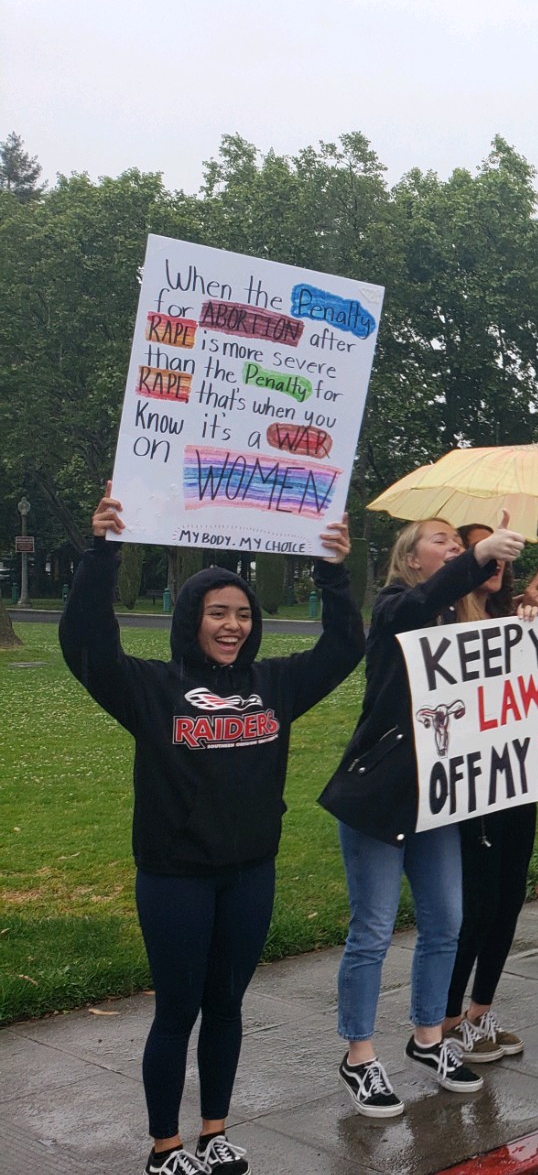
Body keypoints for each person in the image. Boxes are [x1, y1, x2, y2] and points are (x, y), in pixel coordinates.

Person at [61, 484, 363, 1175]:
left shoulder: (277, 685)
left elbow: (346, 646)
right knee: (178, 1010)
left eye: (243, 614)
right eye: (217, 613)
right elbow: (86, 645)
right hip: (176, 877)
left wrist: (333, 572)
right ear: (190, 619)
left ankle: (214, 1132)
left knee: (227, 1005)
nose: (232, 626)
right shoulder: (151, 689)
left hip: (250, 873)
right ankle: (165, 1148)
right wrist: (102, 552)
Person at [322, 514, 526, 1117]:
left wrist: (524, 633)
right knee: (373, 929)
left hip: (438, 801)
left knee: (446, 922)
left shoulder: (460, 622)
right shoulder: (395, 609)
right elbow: (419, 605)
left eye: (460, 545)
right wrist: (478, 556)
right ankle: (359, 1055)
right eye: (443, 541)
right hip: (380, 797)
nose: (456, 548)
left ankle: (429, 1037)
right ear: (411, 559)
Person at [439, 526, 538, 1064]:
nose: (498, 558)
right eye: (484, 549)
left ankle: (480, 1010)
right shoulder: (442, 622)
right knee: (476, 906)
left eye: (504, 551)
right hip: (471, 787)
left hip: (517, 779)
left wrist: (532, 626)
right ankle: (446, 1018)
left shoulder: (513, 620)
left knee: (508, 900)